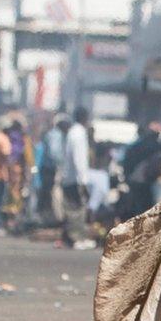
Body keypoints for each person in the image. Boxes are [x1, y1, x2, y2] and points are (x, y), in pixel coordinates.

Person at [61, 107, 95, 250]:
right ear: (85, 118)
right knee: (77, 209)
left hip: (69, 177)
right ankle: (77, 238)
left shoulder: (72, 132)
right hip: (76, 178)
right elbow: (79, 158)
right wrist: (83, 180)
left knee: (71, 208)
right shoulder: (79, 134)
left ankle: (70, 237)